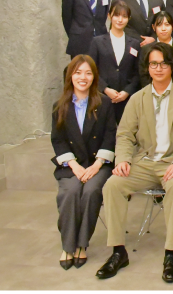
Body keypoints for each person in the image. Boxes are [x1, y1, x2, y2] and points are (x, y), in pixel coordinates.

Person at [96, 43, 173, 284]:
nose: (159, 68)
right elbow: (124, 135)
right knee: (113, 185)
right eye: (154, 63)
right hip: (144, 161)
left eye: (164, 63)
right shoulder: (137, 98)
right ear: (147, 67)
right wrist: (123, 159)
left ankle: (171, 254)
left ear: (172, 66)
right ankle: (118, 251)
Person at [51, 55, 116, 270]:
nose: (83, 77)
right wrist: (74, 166)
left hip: (98, 163)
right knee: (69, 192)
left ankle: (81, 244)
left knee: (90, 191)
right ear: (70, 76)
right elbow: (58, 140)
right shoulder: (60, 106)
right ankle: (67, 246)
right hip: (72, 165)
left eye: (88, 73)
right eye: (78, 72)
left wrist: (96, 165)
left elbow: (110, 136)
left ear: (94, 77)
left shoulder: (104, 104)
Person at [88, 0, 141, 123]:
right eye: (116, 15)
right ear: (109, 16)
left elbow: (137, 72)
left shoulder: (135, 43)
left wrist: (127, 91)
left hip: (127, 99)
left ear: (129, 19)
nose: (120, 20)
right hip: (102, 97)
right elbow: (91, 69)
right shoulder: (97, 42)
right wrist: (105, 89)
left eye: (124, 16)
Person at [139, 11, 173, 88]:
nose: (163, 29)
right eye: (159, 25)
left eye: (167, 25)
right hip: (152, 91)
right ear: (153, 27)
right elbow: (143, 75)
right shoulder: (146, 50)